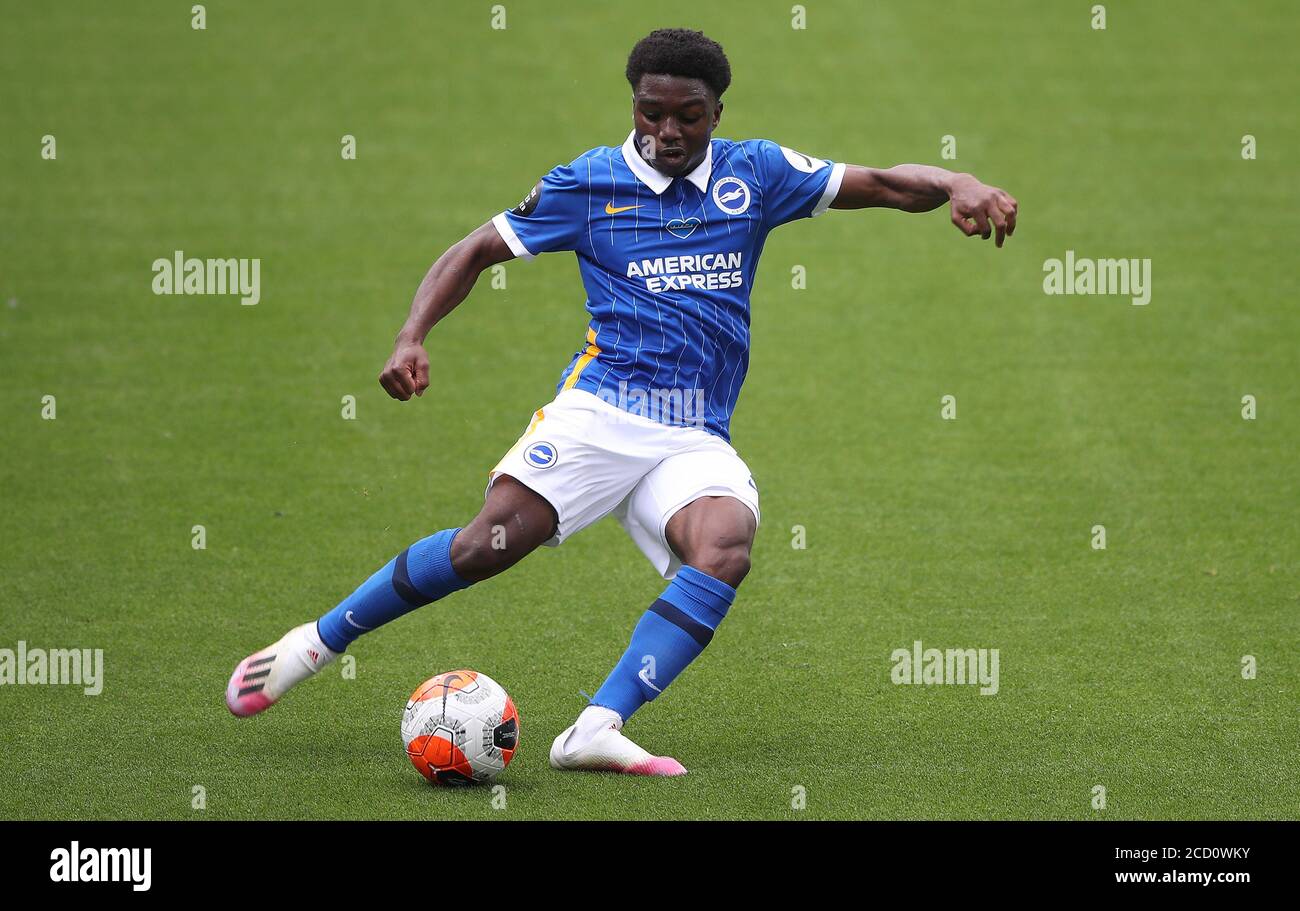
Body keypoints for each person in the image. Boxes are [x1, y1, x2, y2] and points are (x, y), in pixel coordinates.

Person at [226, 27, 1018, 776]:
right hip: (600, 412)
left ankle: (595, 728)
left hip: (693, 433)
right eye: (651, 112)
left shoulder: (757, 174)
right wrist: (411, 335)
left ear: (717, 115)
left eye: (689, 116)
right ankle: (314, 644)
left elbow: (882, 184)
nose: (667, 131)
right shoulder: (590, 183)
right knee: (487, 545)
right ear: (633, 104)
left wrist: (959, 181)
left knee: (725, 546)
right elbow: (475, 250)